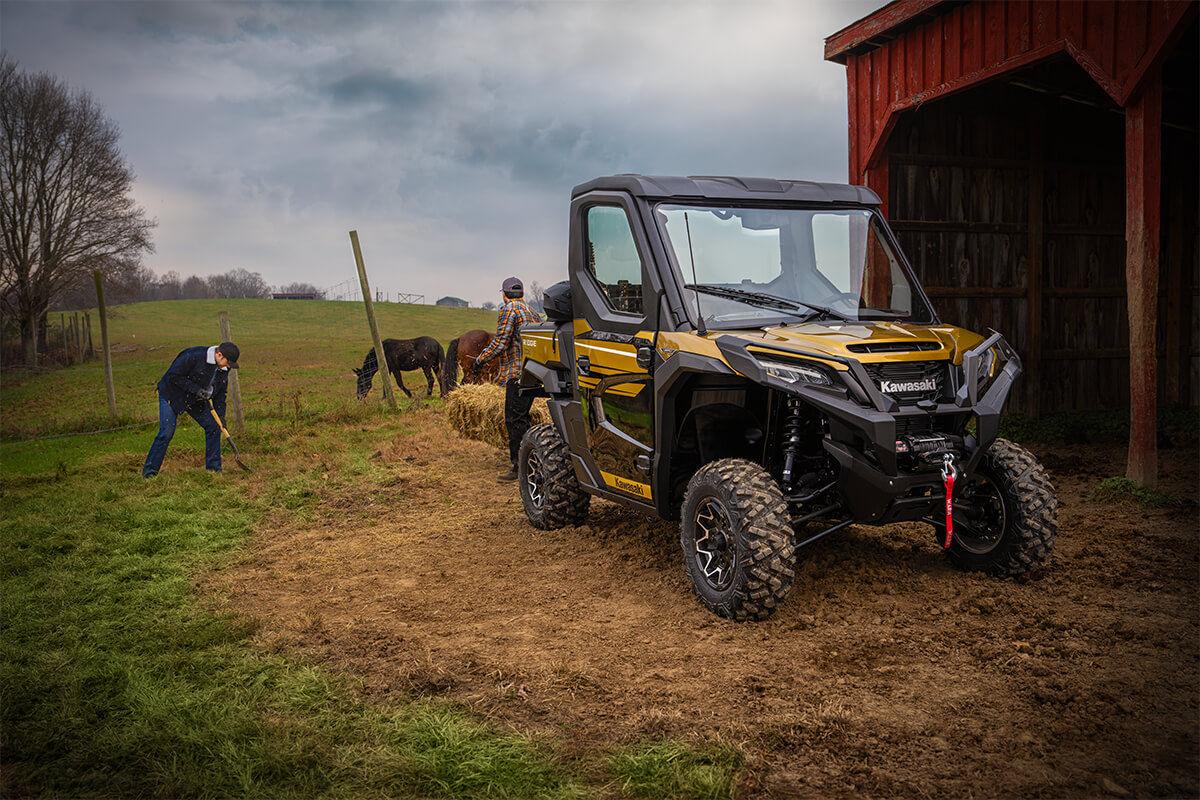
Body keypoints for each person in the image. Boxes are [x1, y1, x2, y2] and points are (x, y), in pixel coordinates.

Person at [474, 277, 542, 481]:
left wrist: (480, 359)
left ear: (504, 294)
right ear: (521, 293)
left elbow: (501, 342)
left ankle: (519, 466)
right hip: (534, 372)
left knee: (514, 419)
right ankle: (534, 458)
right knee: (523, 417)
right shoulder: (532, 312)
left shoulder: (508, 310)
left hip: (516, 374)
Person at [142, 341, 240, 477]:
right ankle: (149, 473)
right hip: (172, 395)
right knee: (166, 433)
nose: (229, 366)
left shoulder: (224, 368)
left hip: (195, 399)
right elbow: (173, 376)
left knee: (214, 426)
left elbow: (221, 394)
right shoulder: (194, 356)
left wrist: (221, 417)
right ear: (219, 355)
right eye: (228, 362)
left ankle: (214, 470)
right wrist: (196, 389)